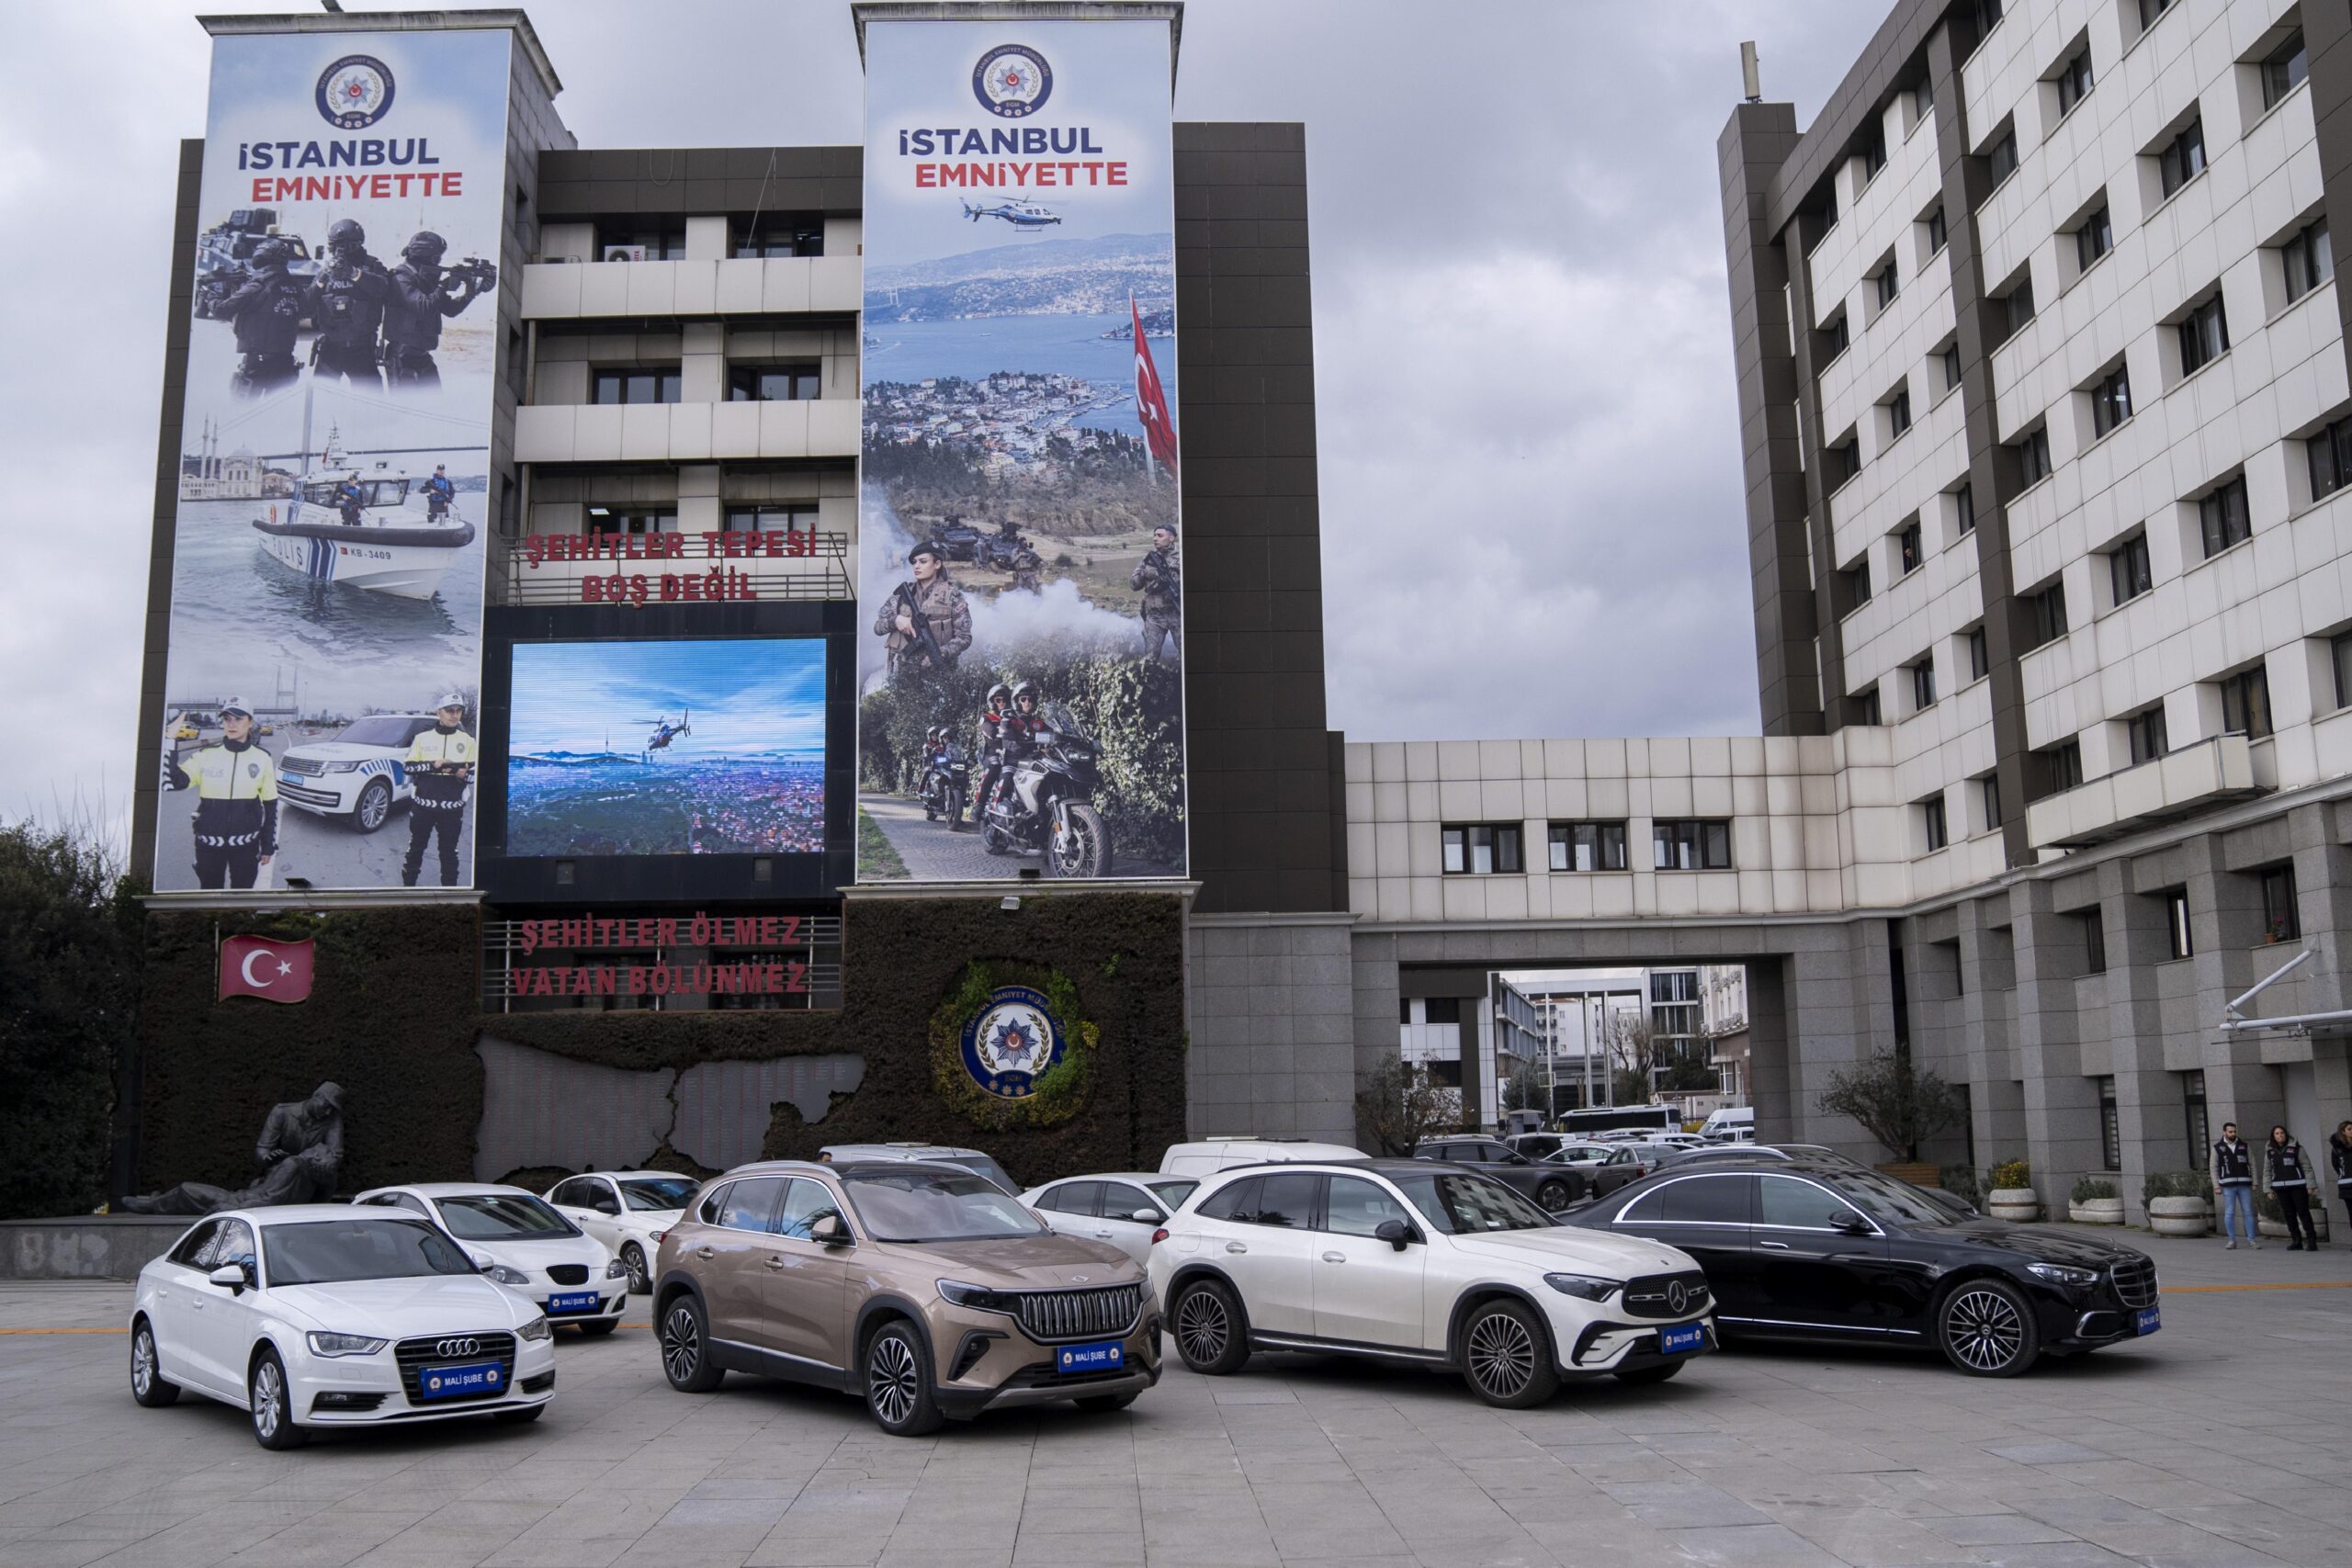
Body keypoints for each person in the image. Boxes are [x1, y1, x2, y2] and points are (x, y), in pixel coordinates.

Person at [120, 1084, 345, 1215]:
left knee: (187, 1190)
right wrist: (268, 1157)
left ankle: (154, 1204)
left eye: (332, 1109)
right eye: (326, 1106)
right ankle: (156, 1202)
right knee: (191, 1192)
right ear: (316, 1096)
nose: (328, 1113)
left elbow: (333, 1158)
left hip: (274, 1188)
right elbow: (262, 1150)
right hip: (272, 1179)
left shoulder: (327, 1127)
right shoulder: (283, 1113)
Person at [166, 698, 277, 890]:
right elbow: (173, 782)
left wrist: (267, 846)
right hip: (208, 846)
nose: (231, 724)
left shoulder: (263, 758)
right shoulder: (205, 755)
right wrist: (169, 739)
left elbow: (270, 805)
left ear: (250, 722)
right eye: (227, 719)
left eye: (238, 719)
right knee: (209, 898)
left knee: (241, 898)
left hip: (247, 846)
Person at [381, 231, 493, 389]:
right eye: (437, 257)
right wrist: (443, 286)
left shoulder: (425, 281)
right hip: (402, 356)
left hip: (422, 357)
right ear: (425, 255)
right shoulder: (400, 277)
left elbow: (451, 310)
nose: (439, 261)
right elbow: (423, 307)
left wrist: (473, 291)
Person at [401, 694, 476, 888]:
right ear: (439, 713)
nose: (454, 715)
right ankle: (408, 891)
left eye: (458, 710)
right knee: (415, 849)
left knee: (449, 853)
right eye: (449, 710)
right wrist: (433, 765)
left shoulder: (468, 741)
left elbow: (474, 776)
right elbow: (408, 767)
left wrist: (460, 773)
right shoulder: (422, 738)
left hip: (452, 810)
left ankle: (449, 894)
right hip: (423, 807)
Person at [307, 218, 390, 388]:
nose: (340, 251)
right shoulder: (326, 270)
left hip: (361, 349)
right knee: (320, 398)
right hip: (330, 349)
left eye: (346, 246)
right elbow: (306, 307)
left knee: (370, 400)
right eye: (335, 246)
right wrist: (320, 281)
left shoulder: (371, 265)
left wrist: (355, 274)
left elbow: (383, 288)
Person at [873, 540, 972, 679]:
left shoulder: (953, 597)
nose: (916, 566)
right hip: (904, 676)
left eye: (923, 561)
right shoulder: (902, 595)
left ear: (937, 564)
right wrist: (895, 620)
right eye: (914, 562)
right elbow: (877, 628)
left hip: (940, 675)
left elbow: (964, 637)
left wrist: (940, 653)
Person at [220, 237, 306, 397]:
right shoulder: (295, 286)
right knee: (279, 410)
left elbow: (222, 310)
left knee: (246, 410)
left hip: (258, 364)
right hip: (285, 362)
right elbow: (307, 310)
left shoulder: (257, 286)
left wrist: (211, 297)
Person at [1132, 523, 1182, 661]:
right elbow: (1134, 585)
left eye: (1160, 535)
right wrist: (1146, 574)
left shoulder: (1181, 558)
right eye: (1154, 535)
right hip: (1155, 616)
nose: (1155, 538)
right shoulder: (1148, 559)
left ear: (1171, 538)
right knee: (1150, 658)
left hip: (1177, 614)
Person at [967, 682, 1012, 829]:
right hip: (993, 753)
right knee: (994, 765)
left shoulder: (1014, 717)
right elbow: (989, 731)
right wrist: (1001, 729)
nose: (1002, 702)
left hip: (1011, 754)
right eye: (998, 700)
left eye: (1004, 699)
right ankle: (979, 805)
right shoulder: (987, 717)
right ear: (993, 702)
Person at [2266, 1124, 2319, 1250]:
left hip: (2298, 1186)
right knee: (2289, 1214)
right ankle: (2296, 1240)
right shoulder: (2270, 1152)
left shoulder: (2297, 1148)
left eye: (2282, 1133)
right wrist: (2268, 1189)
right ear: (2273, 1136)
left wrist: (2311, 1185)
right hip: (2280, 1188)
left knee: (2303, 1213)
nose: (2280, 1135)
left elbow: (2307, 1167)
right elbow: (2267, 1171)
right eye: (2277, 1134)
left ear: (2286, 1134)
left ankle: (2312, 1241)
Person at [2215, 1122, 2258, 1249]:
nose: (2233, 1134)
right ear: (2224, 1132)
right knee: (2229, 1212)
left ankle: (2252, 1240)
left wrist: (2255, 1182)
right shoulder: (2217, 1148)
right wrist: (2216, 1186)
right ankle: (2232, 1240)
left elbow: (2252, 1164)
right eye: (2230, 1132)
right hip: (2228, 1185)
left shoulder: (2244, 1146)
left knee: (2248, 1212)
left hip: (2245, 1184)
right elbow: (2213, 1167)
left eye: (2234, 1131)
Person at [2330, 1121, 2352, 1241]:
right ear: (2343, 1132)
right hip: (2347, 1186)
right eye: (2349, 1129)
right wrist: (2344, 1174)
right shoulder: (2337, 1149)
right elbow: (2335, 1165)